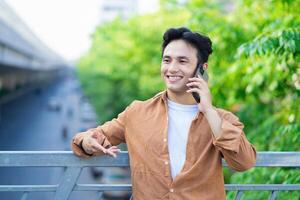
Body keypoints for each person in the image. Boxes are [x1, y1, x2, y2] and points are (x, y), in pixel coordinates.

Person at [71, 27, 256, 200]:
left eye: (182, 61)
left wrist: (208, 110)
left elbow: (244, 163)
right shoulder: (137, 113)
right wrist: (88, 143)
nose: (172, 68)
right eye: (167, 60)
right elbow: (91, 137)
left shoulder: (221, 119)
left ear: (202, 69)